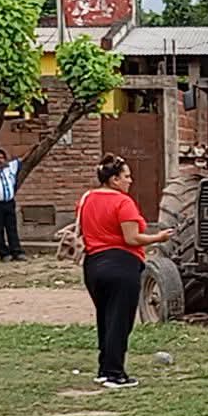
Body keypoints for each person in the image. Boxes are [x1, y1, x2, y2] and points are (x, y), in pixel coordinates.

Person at [78, 154, 174, 389]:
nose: (130, 181)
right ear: (113, 180)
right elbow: (131, 238)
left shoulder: (87, 198)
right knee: (120, 320)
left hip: (93, 265)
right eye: (126, 177)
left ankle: (104, 368)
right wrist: (158, 238)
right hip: (121, 264)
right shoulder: (123, 202)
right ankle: (115, 373)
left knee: (105, 317)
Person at [0, 148, 27, 262]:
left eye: (1, 158)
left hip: (9, 203)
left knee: (12, 228)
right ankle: (4, 253)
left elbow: (23, 157)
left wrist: (35, 146)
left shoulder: (10, 169)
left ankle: (16, 251)